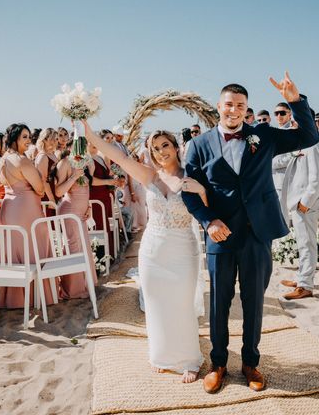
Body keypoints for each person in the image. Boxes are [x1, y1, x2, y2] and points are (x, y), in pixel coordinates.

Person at [183, 73, 319, 394]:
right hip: (220, 235)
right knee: (219, 303)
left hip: (258, 234)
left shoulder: (264, 136)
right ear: (218, 106)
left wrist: (296, 101)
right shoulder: (198, 145)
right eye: (228, 104)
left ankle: (250, 362)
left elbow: (309, 136)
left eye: (240, 106)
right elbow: (187, 191)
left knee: (254, 301)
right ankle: (218, 363)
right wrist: (208, 221)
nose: (233, 110)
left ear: (246, 110)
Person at [82, 120, 206, 383]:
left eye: (165, 145)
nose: (161, 152)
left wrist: (202, 190)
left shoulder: (191, 175)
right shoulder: (148, 176)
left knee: (182, 303)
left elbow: (210, 209)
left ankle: (188, 359)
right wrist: (91, 135)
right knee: (157, 303)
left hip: (183, 249)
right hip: (152, 251)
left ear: (175, 147)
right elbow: (118, 156)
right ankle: (162, 354)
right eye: (155, 148)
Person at [0, 123, 57, 308]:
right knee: (33, 246)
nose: (28, 140)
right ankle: (35, 296)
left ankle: (15, 298)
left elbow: (4, 183)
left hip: (9, 208)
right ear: (14, 138)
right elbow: (40, 189)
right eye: (24, 136)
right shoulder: (22, 161)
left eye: (29, 136)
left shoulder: (2, 159)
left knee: (15, 248)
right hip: (26, 208)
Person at [279, 109, 319, 299]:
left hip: (306, 203)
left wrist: (305, 202)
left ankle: (305, 285)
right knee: (302, 242)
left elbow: (317, 177)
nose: (291, 124)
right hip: (297, 200)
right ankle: (302, 277)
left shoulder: (314, 143)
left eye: (294, 121)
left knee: (307, 243)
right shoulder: (305, 141)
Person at [54, 138, 99, 298]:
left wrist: (89, 207)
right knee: (74, 248)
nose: (81, 148)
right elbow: (58, 192)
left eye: (84, 145)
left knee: (84, 247)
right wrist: (73, 177)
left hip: (82, 212)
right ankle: (74, 290)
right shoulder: (65, 163)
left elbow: (87, 188)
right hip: (69, 211)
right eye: (78, 144)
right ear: (70, 145)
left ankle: (87, 285)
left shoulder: (87, 162)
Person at [87, 132, 123, 258]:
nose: (95, 144)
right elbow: (90, 181)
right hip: (96, 198)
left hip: (105, 197)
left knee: (106, 225)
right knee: (99, 227)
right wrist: (108, 181)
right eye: (92, 141)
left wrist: (115, 179)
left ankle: (109, 255)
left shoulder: (100, 157)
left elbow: (108, 174)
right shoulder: (87, 159)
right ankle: (100, 258)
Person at [271, 102, 294, 198]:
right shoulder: (275, 131)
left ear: (290, 114)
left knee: (284, 212)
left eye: (282, 113)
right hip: (273, 181)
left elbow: (293, 157)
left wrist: (270, 163)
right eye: (276, 113)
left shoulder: (292, 132)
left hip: (285, 180)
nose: (279, 116)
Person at [35, 128, 59, 215]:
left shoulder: (52, 154)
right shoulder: (43, 156)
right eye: (53, 138)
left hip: (54, 191)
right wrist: (51, 199)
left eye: (56, 139)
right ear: (45, 139)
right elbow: (43, 180)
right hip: (47, 195)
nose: (56, 141)